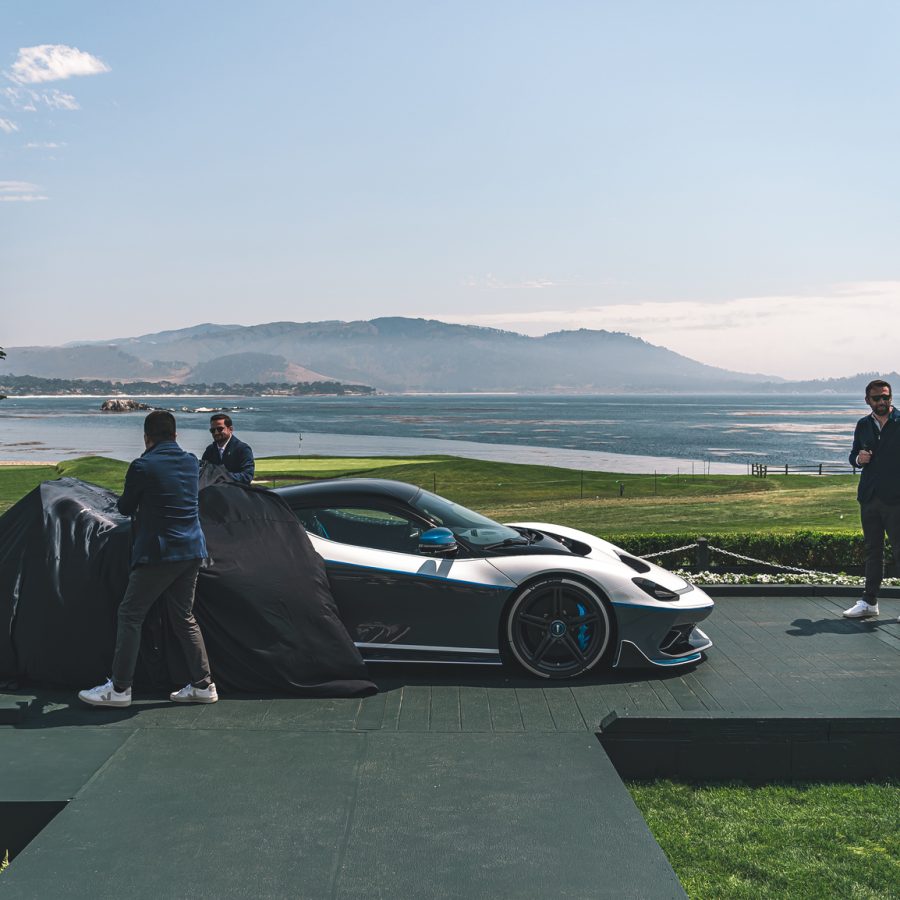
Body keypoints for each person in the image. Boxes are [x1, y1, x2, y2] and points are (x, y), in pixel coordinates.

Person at [78, 411, 218, 707]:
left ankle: (119, 690)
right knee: (184, 617)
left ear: (146, 437)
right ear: (176, 436)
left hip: (159, 553)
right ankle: (204, 685)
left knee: (130, 615)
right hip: (193, 550)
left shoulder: (142, 465)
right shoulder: (192, 462)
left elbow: (126, 506)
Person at [843, 379, 900, 622]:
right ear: (868, 400)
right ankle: (869, 602)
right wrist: (858, 459)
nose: (882, 402)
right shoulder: (863, 425)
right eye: (877, 398)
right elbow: (853, 454)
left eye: (886, 397)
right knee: (872, 551)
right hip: (869, 498)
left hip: (896, 498)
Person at [201, 413, 255, 484]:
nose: (216, 433)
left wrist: (220, 477)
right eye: (213, 430)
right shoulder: (210, 450)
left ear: (230, 429)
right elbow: (203, 471)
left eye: (220, 429)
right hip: (213, 492)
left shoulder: (242, 449)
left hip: (236, 491)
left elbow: (247, 476)